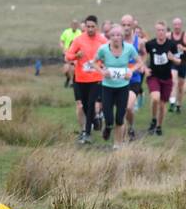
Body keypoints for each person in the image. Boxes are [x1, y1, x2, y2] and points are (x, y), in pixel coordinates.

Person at [95, 24, 143, 146]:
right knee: (109, 118)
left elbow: (139, 62)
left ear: (122, 37)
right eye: (113, 35)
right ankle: (108, 127)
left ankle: (117, 145)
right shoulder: (103, 49)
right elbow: (94, 62)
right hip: (107, 87)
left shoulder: (129, 48)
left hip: (123, 88)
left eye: (119, 35)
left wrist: (130, 71)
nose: (116, 37)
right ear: (109, 36)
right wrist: (102, 72)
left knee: (120, 118)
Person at [66, 15, 105, 144]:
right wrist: (77, 55)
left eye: (92, 27)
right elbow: (68, 56)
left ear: (97, 27)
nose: (90, 29)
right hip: (80, 78)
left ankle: (87, 133)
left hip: (95, 78)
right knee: (83, 105)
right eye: (88, 26)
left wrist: (104, 63)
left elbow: (109, 54)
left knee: (90, 104)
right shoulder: (78, 40)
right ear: (85, 27)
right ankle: (94, 121)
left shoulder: (102, 40)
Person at [142, 20, 181, 136]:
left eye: (162, 30)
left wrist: (173, 58)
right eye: (158, 30)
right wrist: (144, 68)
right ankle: (153, 119)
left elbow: (179, 61)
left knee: (163, 105)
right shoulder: (150, 44)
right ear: (156, 31)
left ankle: (159, 126)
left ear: (166, 31)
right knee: (155, 98)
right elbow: (143, 57)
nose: (160, 32)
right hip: (153, 76)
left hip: (166, 78)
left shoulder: (171, 45)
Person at [169, 18, 186, 112]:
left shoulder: (185, 36)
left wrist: (183, 48)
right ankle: (172, 103)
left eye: (178, 24)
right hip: (173, 63)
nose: (177, 26)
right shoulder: (169, 36)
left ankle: (179, 105)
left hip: (183, 63)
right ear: (173, 25)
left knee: (180, 85)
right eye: (175, 24)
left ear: (181, 25)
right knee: (173, 81)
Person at [60, 19, 80, 88]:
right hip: (67, 53)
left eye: (76, 24)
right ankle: (69, 78)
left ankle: (72, 82)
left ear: (77, 25)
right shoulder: (66, 32)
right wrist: (63, 48)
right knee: (66, 70)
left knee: (73, 68)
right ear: (71, 25)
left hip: (75, 54)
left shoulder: (79, 33)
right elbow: (61, 41)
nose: (74, 25)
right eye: (73, 24)